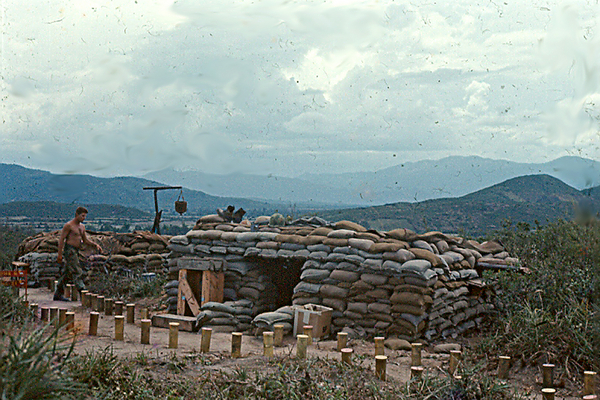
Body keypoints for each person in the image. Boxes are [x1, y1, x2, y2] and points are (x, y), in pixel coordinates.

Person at [53, 206, 101, 301]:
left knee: (67, 273)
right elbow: (61, 239)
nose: (84, 218)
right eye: (82, 216)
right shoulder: (69, 226)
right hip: (69, 250)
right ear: (76, 215)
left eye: (85, 216)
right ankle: (83, 292)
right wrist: (60, 254)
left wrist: (95, 245)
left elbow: (85, 240)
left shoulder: (82, 227)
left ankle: (58, 293)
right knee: (77, 271)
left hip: (76, 250)